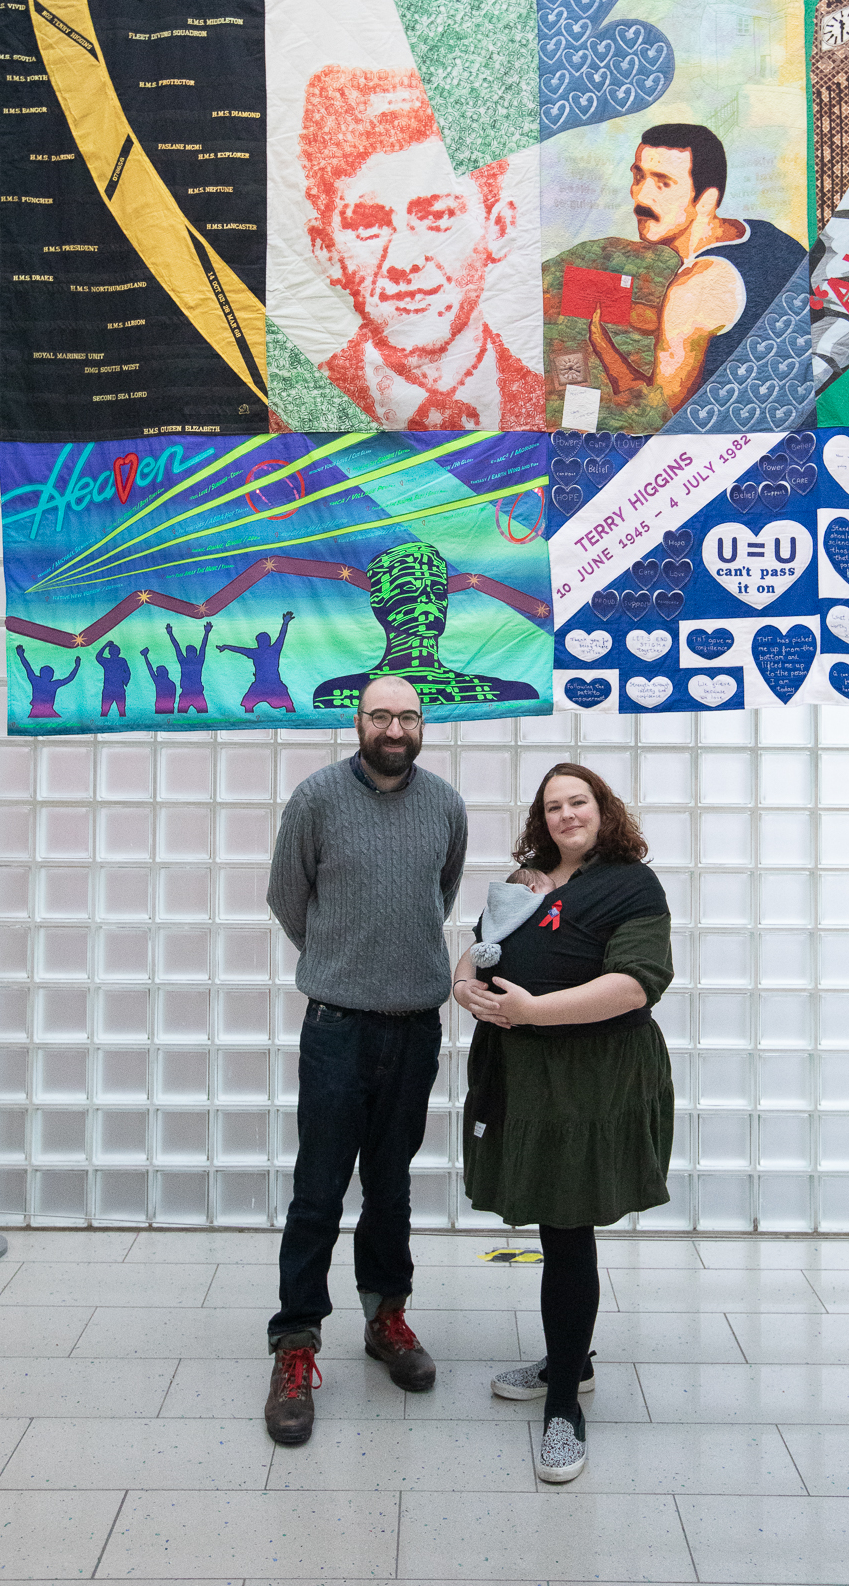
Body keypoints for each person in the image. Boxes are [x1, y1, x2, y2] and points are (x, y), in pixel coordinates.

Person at [261, 673, 468, 1449]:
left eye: (407, 715)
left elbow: (436, 897)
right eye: (379, 714)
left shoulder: (445, 804)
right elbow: (289, 897)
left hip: (415, 1027)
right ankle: (294, 1346)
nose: (393, 727)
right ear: (357, 720)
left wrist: (394, 959)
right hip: (337, 1028)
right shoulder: (316, 799)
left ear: (422, 725)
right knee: (318, 1190)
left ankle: (386, 1319)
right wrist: (342, 963)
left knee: (390, 1187)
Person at [452, 763, 673, 1484]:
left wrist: (532, 1010)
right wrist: (464, 985)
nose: (565, 815)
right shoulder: (527, 879)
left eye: (578, 802)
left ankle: (562, 1407)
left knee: (567, 1224)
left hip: (591, 1079)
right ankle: (568, 1360)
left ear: (602, 809)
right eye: (552, 806)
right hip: (522, 1075)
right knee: (552, 1216)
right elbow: (480, 947)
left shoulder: (632, 883)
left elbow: (635, 984)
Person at [293, 66, 543, 429]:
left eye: (438, 216)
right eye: (367, 225)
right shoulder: (296, 413)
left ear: (499, 228)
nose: (404, 261)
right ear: (326, 251)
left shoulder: (551, 409)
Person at [579, 122, 805, 416]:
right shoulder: (763, 233)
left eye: (663, 182)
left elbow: (658, 415)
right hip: (794, 412)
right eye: (638, 176)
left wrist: (600, 341)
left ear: (706, 200)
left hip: (734, 442)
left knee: (575, 405)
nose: (640, 196)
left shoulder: (694, 286)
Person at [216, 612, 295, 715]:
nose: (260, 642)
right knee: (248, 704)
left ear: (266, 641)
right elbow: (239, 649)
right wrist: (226, 646)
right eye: (259, 641)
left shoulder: (271, 650)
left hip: (273, 684)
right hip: (262, 684)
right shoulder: (260, 651)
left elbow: (282, 636)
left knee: (288, 705)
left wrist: (285, 623)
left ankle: (293, 719)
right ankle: (250, 721)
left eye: (261, 640)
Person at [15, 645, 80, 721]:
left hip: (46, 710)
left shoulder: (38, 681)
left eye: (49, 673)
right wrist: (77, 666)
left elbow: (27, 667)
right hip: (38, 710)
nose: (48, 675)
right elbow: (69, 678)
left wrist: (21, 655)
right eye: (47, 673)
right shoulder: (41, 682)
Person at [166, 620, 212, 714]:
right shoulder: (185, 661)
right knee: (182, 716)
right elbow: (177, 647)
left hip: (197, 693)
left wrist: (206, 633)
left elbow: (203, 646)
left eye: (190, 652)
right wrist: (170, 634)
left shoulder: (197, 661)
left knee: (203, 715)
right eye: (188, 652)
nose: (189, 654)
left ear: (195, 654)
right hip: (186, 693)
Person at [95, 640, 131, 720]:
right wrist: (105, 645)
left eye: (116, 650)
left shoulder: (122, 660)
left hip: (119, 690)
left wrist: (125, 681)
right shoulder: (106, 661)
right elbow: (98, 657)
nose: (114, 651)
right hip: (108, 690)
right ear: (109, 652)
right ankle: (102, 726)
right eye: (112, 650)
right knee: (104, 711)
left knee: (122, 711)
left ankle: (124, 725)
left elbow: (128, 672)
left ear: (119, 652)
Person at [140, 648, 177, 716]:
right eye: (157, 671)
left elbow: (150, 670)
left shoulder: (160, 682)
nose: (156, 672)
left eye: (158, 671)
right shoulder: (163, 682)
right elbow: (150, 669)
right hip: (162, 707)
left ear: (163, 672)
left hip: (165, 707)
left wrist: (145, 656)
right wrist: (145, 657)